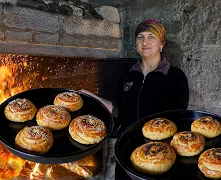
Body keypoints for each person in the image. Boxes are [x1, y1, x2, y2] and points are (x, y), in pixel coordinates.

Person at [80, 19, 189, 179]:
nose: (145, 42)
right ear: (136, 44)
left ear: (161, 44)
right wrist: (91, 97)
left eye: (151, 36)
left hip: (158, 154)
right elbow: (118, 109)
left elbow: (179, 117)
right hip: (126, 148)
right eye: (140, 37)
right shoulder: (128, 74)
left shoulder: (175, 76)